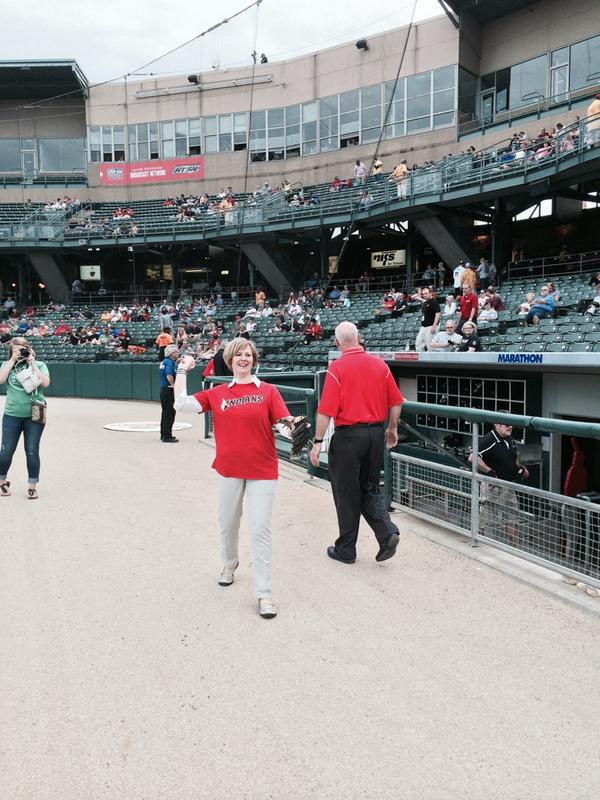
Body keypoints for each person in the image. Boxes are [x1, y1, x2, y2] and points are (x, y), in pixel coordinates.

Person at [174, 338, 293, 619]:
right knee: (228, 524)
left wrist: (292, 429)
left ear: (254, 359)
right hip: (229, 469)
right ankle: (229, 564)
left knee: (260, 529)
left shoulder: (268, 391)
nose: (243, 358)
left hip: (262, 469)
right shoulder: (217, 393)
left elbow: (284, 423)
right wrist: (182, 369)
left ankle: (264, 594)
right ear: (230, 360)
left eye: (248, 354)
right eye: (238, 354)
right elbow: (181, 404)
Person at [309, 321, 403, 565]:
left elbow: (325, 411)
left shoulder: (337, 368)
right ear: (359, 338)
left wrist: (317, 442)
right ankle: (387, 533)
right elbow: (396, 401)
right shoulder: (380, 364)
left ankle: (346, 550)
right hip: (375, 435)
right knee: (369, 487)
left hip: (348, 437)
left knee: (346, 492)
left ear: (337, 343)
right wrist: (392, 428)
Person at [0, 337, 50, 500]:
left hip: (34, 415)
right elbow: (1, 380)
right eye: (16, 349)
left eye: (22, 349)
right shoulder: (7, 365)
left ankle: (32, 486)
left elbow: (45, 383)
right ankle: (2, 481)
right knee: (6, 451)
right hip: (12, 414)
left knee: (32, 450)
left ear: (28, 348)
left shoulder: (39, 364)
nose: (20, 352)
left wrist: (32, 362)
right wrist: (12, 360)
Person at [470, 420, 529, 547]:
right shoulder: (489, 439)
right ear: (497, 425)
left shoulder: (510, 439)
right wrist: (489, 471)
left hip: (509, 485)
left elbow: (514, 457)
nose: (510, 426)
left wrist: (520, 468)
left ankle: (515, 549)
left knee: (513, 518)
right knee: (486, 517)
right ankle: (478, 543)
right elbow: (473, 457)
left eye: (511, 424)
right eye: (506, 424)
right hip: (494, 486)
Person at [159, 344, 179, 443]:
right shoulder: (170, 362)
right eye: (176, 352)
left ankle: (164, 434)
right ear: (171, 354)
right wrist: (173, 385)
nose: (177, 353)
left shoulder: (165, 361)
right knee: (169, 413)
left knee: (165, 413)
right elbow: (169, 375)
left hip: (163, 389)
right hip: (168, 390)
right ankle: (167, 436)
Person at [415, 287, 440, 352]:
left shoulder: (434, 302)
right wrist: (420, 298)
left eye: (426, 293)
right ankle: (422, 357)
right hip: (424, 326)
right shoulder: (426, 302)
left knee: (430, 346)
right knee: (418, 343)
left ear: (430, 293)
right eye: (423, 294)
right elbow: (425, 302)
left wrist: (434, 326)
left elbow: (438, 314)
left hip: (431, 326)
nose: (424, 295)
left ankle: (431, 358)